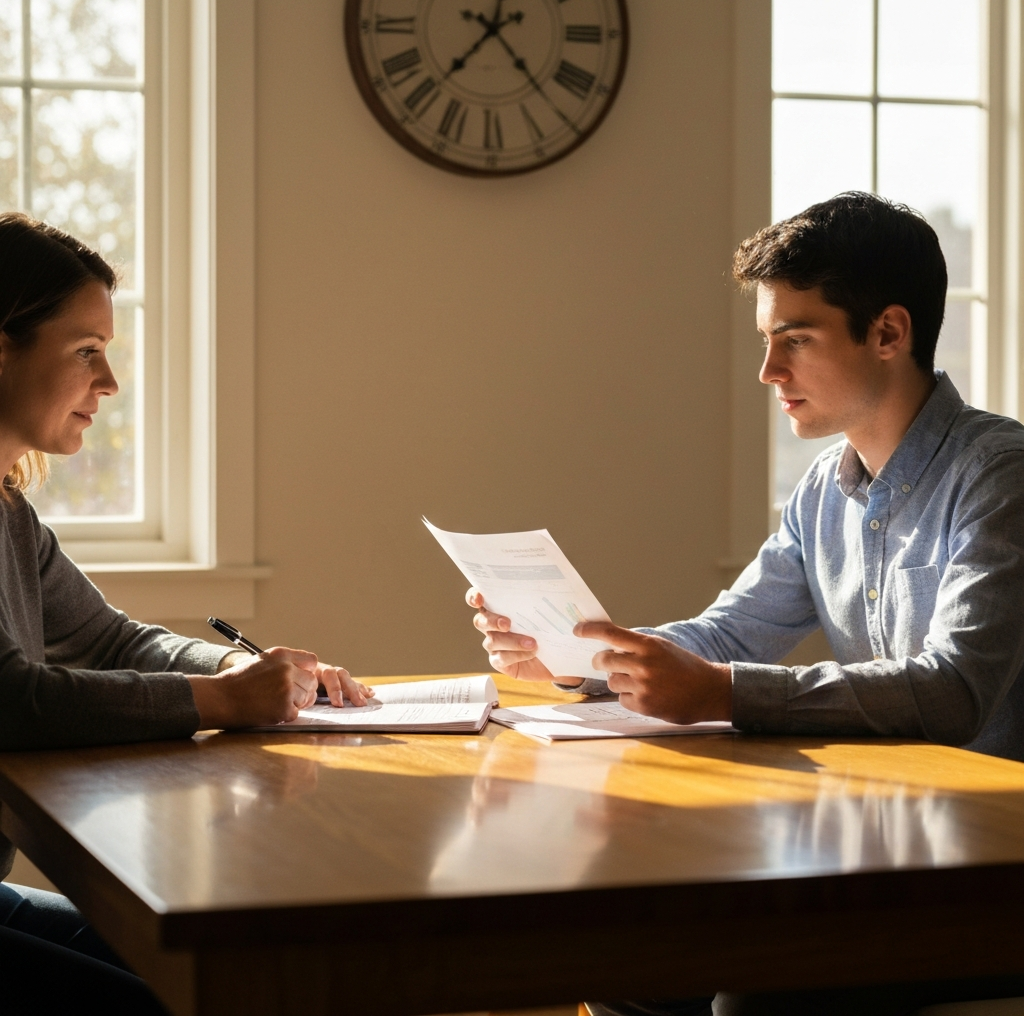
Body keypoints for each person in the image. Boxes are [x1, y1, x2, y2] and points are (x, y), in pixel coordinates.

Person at [466, 193, 1024, 1016]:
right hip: (885, 846)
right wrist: (578, 654)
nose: (769, 372)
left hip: (988, 866)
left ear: (889, 333)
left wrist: (722, 691)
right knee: (629, 965)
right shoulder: (823, 493)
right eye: (767, 342)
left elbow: (954, 690)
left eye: (794, 340)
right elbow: (729, 632)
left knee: (752, 996)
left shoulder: (999, 475)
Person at [0, 212, 372, 1013]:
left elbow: (104, 636)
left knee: (236, 975)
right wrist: (222, 701)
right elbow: (11, 700)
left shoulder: (9, 512)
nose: (110, 383)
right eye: (86, 351)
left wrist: (232, 665)